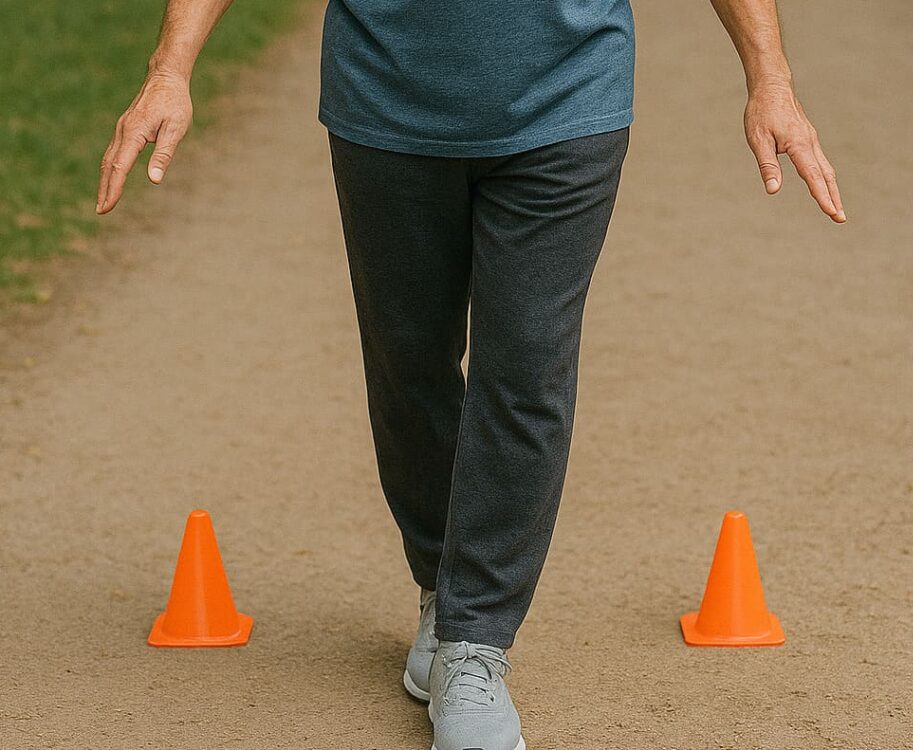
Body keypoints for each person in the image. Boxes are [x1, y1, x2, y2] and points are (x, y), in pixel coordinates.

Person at [96, 1, 845, 748]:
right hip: (385, 104)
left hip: (569, 103)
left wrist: (769, 77)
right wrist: (170, 70)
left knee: (525, 372)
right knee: (407, 359)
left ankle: (473, 642)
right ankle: (441, 585)